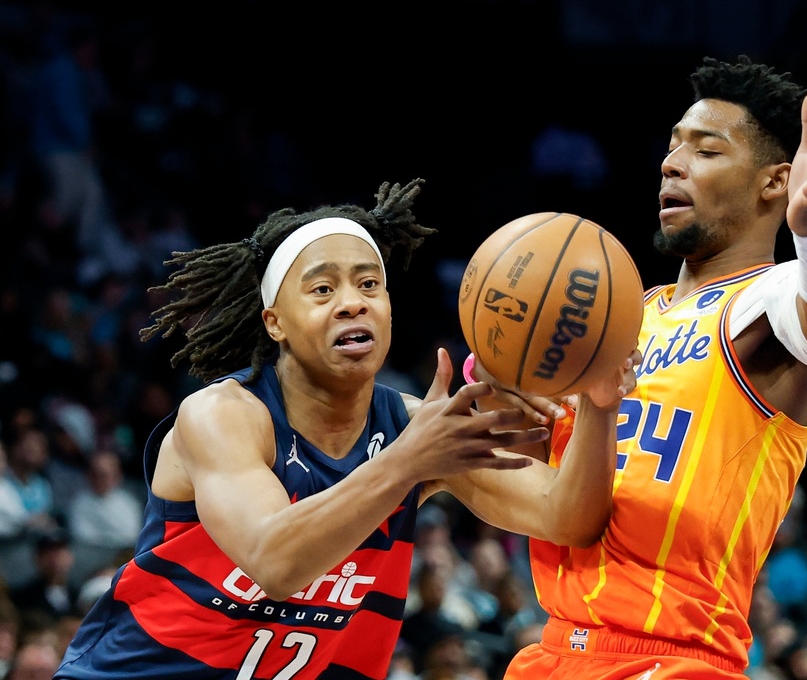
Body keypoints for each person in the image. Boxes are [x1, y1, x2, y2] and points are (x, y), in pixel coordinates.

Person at [54, 178, 639, 679]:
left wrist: (596, 403)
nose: (352, 303)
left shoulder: (410, 425)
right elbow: (274, 562)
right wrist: (409, 463)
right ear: (275, 322)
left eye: (369, 284)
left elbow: (569, 519)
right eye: (322, 289)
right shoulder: (223, 414)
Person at [467, 55, 807, 679]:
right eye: (672, 145)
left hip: (673, 659)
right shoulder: (618, 314)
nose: (671, 162)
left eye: (706, 150)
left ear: (775, 183)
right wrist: (499, 383)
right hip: (552, 652)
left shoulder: (765, 307)